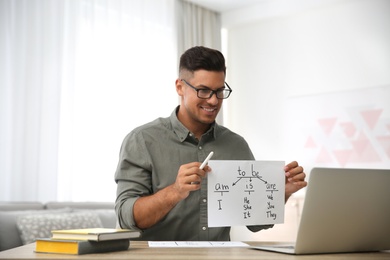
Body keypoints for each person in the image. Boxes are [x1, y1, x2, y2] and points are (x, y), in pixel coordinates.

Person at [114, 46, 307, 241]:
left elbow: (256, 223)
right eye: (203, 90)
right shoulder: (142, 140)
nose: (214, 101)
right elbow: (126, 217)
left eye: (219, 91)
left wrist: (281, 193)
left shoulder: (236, 145)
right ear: (180, 87)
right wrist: (175, 191)